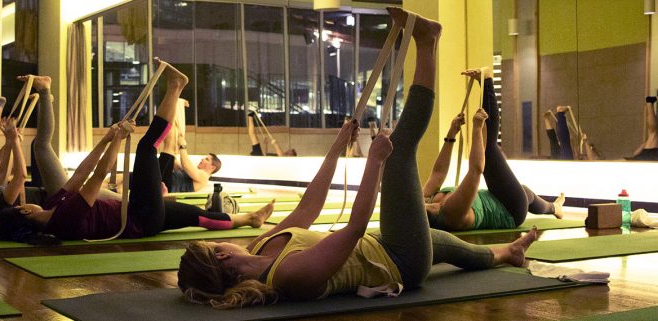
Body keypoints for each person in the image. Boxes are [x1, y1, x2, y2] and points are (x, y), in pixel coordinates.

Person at [177, 8, 537, 309]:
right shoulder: (286, 276)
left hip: (380, 245)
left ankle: (508, 253)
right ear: (222, 257)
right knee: (400, 152)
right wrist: (375, 162)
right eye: (216, 244)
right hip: (399, 262)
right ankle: (428, 42)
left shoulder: (259, 246)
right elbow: (354, 229)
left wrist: (337, 146)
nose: (224, 242)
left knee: (445, 245)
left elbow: (308, 207)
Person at [0, 61, 275, 245]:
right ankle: (175, 87)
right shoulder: (63, 220)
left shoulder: (55, 204)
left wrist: (106, 139)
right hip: (141, 217)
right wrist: (116, 139)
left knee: (195, 216)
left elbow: (82, 173)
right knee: (146, 147)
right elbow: (98, 176)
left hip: (140, 212)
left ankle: (249, 220)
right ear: (25, 210)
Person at [0, 76, 119, 220]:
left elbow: (2, 171)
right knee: (41, 145)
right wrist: (14, 141)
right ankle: (45, 91)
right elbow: (21, 176)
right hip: (56, 199)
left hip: (51, 194)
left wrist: (9, 141)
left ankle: (45, 95)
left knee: (41, 146)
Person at [422, 68, 565, 231]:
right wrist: (477, 128)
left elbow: (439, 172)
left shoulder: (425, 198)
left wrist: (451, 134)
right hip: (510, 210)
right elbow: (476, 170)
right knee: (488, 148)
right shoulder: (450, 213)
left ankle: (554, 208)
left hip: (497, 197)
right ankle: (488, 82)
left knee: (524, 192)